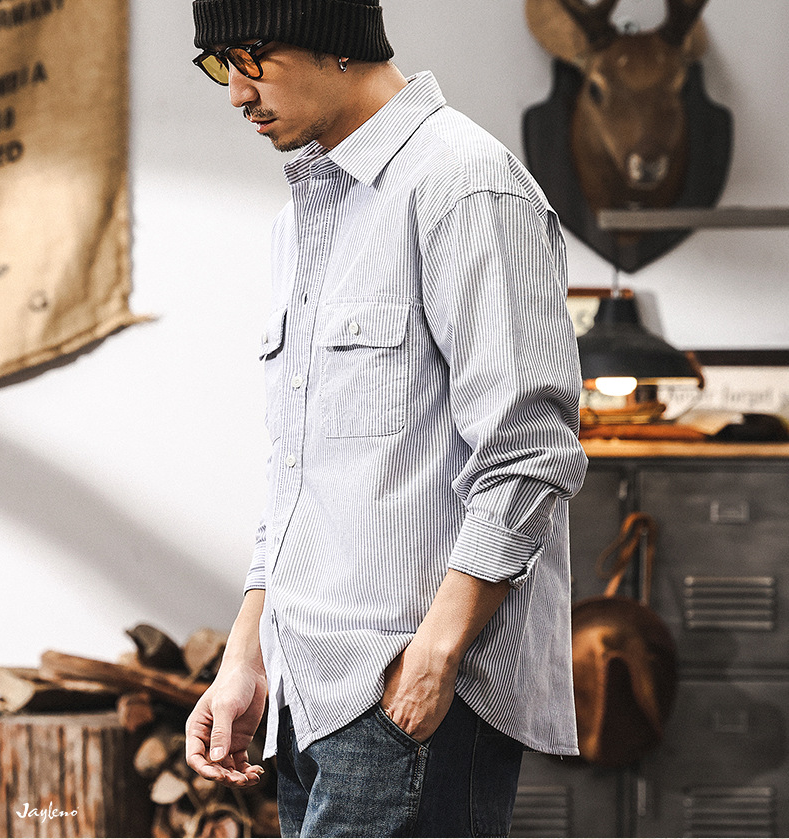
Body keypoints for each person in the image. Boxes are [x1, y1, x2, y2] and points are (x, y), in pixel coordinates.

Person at [185, 1, 588, 836]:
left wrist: (436, 652)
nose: (236, 93)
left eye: (250, 56)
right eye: (219, 63)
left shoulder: (465, 186)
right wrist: (246, 655)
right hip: (307, 694)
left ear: (336, 40)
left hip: (407, 695)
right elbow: (301, 472)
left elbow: (529, 452)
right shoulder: (304, 218)